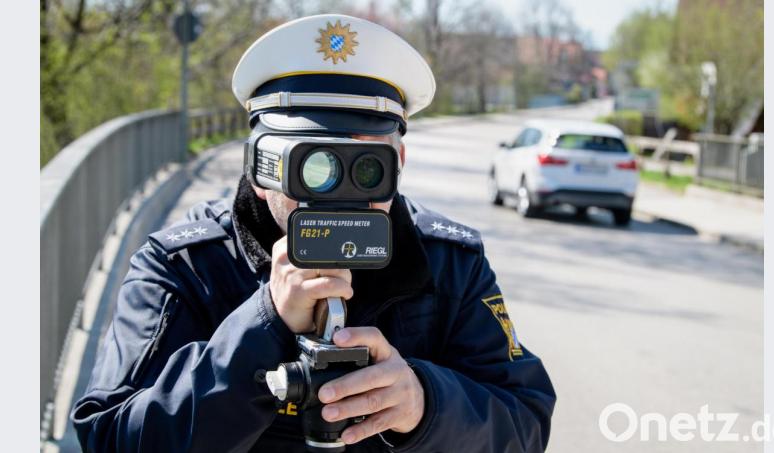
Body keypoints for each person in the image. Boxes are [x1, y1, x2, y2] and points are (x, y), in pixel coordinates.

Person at [71, 14, 556, 452]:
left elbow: (525, 423)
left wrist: (426, 405)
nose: (339, 193)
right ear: (261, 170)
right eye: (313, 165)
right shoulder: (184, 266)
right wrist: (262, 326)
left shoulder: (449, 263)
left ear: (399, 163)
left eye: (368, 168)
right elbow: (111, 437)